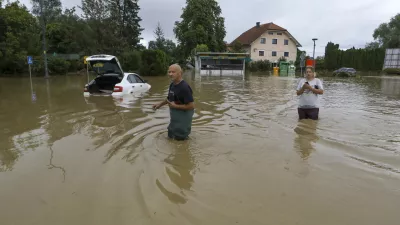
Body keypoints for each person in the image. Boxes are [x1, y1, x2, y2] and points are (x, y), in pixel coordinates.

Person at [153, 64, 195, 140]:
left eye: (173, 72)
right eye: (169, 72)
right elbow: (169, 99)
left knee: (181, 140)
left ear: (180, 73)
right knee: (170, 135)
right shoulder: (172, 85)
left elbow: (191, 106)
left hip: (184, 117)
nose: (170, 74)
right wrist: (160, 104)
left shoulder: (184, 87)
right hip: (175, 118)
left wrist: (175, 106)